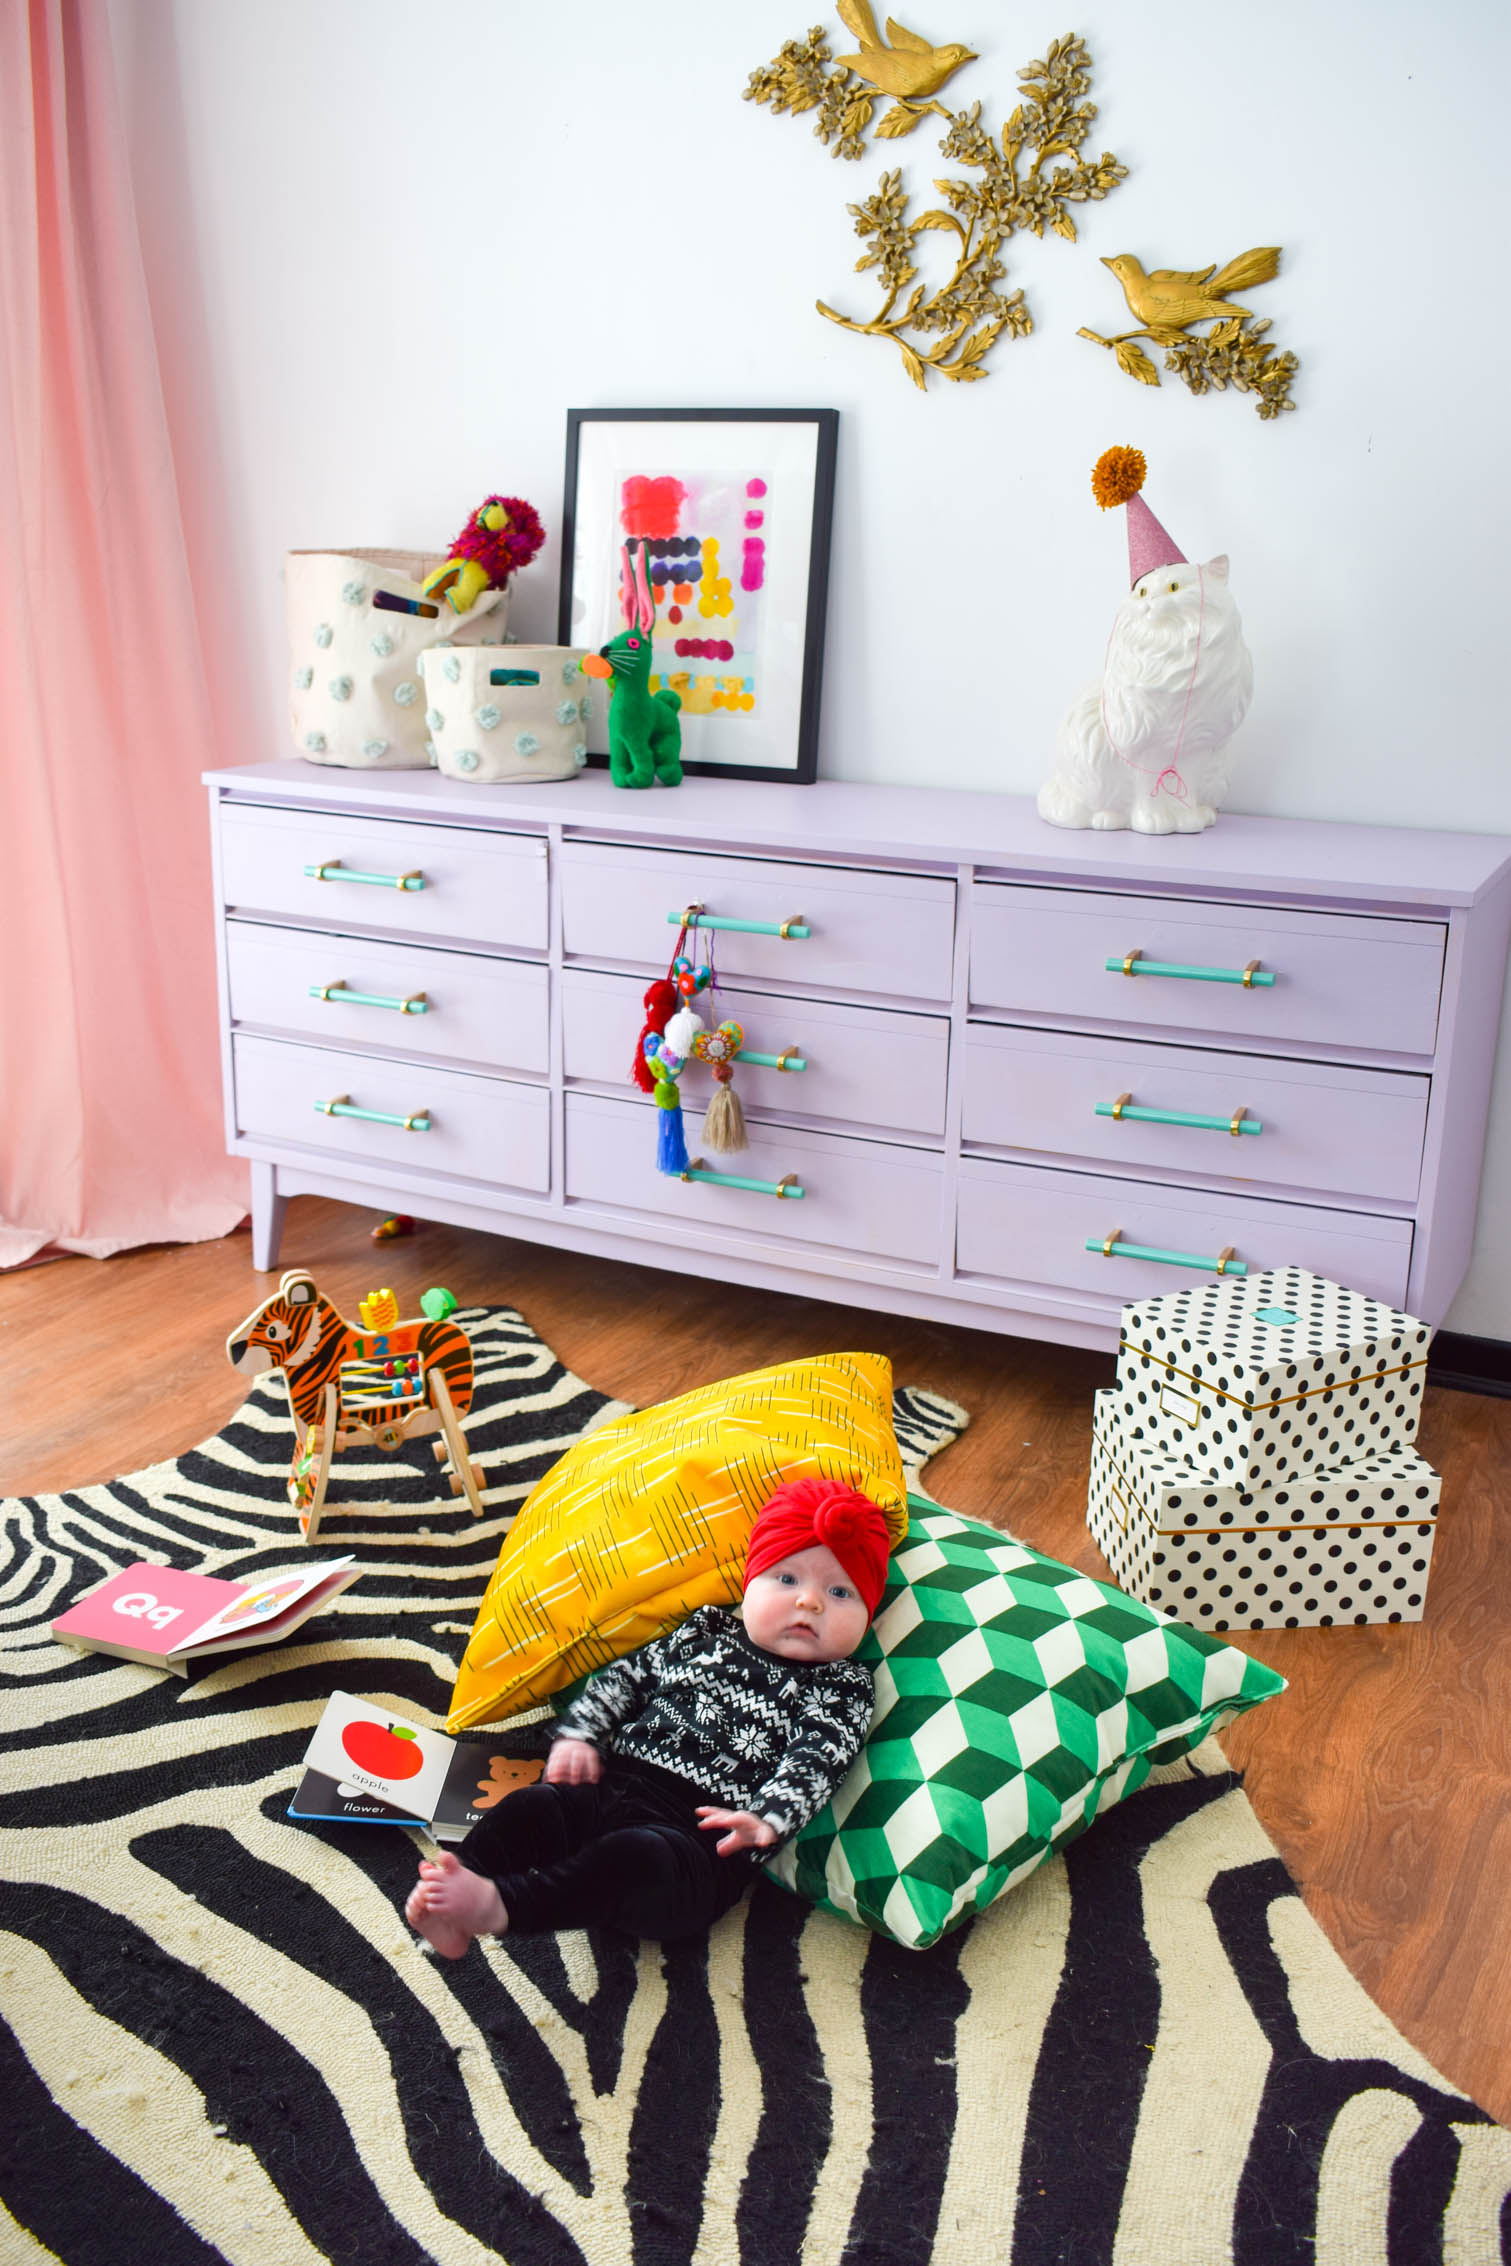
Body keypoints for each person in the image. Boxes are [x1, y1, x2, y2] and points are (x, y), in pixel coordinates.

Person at [405, 1476, 891, 1955]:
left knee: (635, 1857)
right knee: (535, 1806)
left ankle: (502, 1908)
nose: (809, 1601)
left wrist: (767, 1818)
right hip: (611, 1787)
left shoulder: (838, 1685)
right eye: (787, 1579)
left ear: (867, 1614)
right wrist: (579, 1735)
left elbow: (816, 1761)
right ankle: (459, 1883)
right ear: (750, 1582)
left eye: (841, 1593)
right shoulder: (703, 1630)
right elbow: (623, 1680)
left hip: (695, 1842)